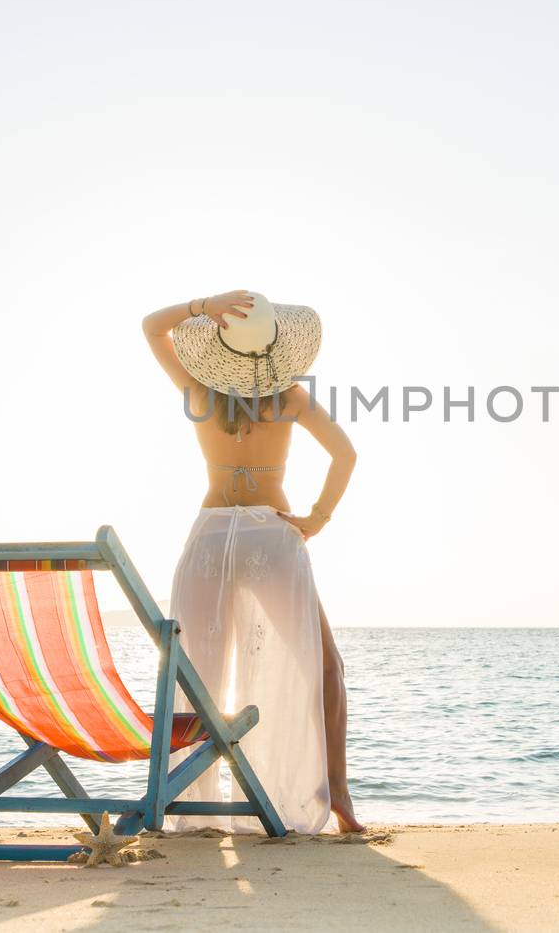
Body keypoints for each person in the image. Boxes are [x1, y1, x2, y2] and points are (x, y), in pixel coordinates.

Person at [141, 289, 363, 834]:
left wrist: (202, 306)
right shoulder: (288, 397)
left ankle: (185, 801)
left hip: (212, 538)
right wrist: (318, 518)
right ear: (273, 348)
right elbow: (345, 453)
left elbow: (151, 327)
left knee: (197, 674)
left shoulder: (199, 392)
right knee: (326, 666)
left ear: (219, 347)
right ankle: (337, 799)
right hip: (270, 533)